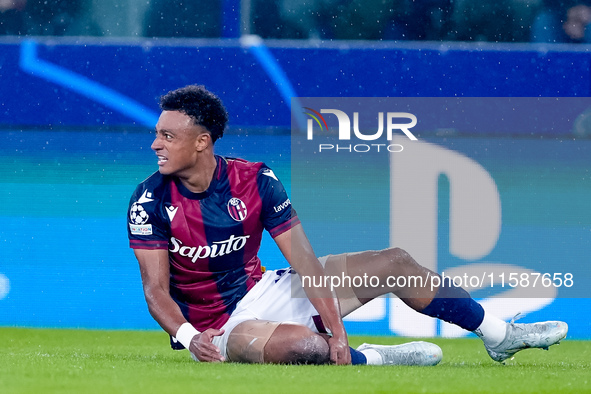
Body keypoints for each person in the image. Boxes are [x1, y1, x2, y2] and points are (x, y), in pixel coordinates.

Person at [127, 85, 568, 366]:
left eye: (167, 136)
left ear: (202, 141)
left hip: (266, 290)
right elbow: (155, 291)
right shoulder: (149, 200)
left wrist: (339, 332)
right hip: (219, 328)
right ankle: (374, 360)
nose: (155, 144)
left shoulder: (255, 179)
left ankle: (499, 335)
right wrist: (189, 339)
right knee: (302, 349)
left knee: (395, 262)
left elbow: (304, 261)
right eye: (157, 134)